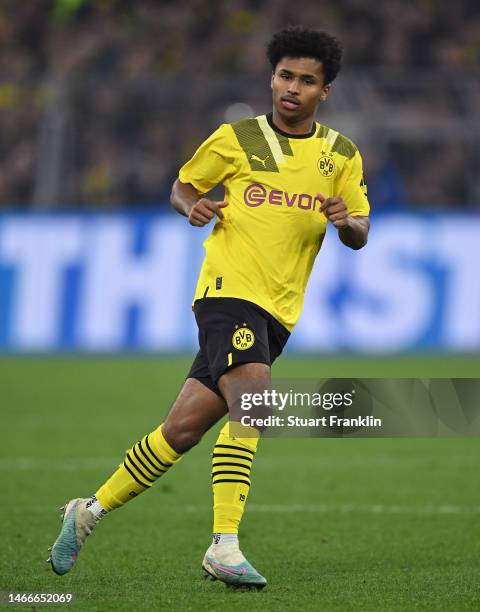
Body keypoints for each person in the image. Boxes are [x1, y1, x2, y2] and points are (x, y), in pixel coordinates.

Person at [48, 25, 370, 589]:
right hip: (227, 291)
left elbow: (362, 229)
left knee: (182, 430)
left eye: (307, 81)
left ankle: (88, 510)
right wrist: (193, 206)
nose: (292, 87)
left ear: (326, 92)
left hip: (279, 310)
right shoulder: (235, 138)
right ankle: (224, 545)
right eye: (285, 76)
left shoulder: (341, 154)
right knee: (255, 404)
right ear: (272, 78)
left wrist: (348, 223)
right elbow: (182, 185)